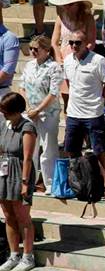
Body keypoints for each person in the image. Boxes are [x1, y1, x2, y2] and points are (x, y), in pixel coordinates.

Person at [62, 29, 105, 196]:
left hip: (93, 113)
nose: (74, 46)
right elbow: (70, 84)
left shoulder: (98, 61)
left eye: (78, 43)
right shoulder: (68, 60)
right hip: (74, 113)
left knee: (99, 150)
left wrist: (101, 102)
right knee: (71, 149)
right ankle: (79, 182)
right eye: (71, 43)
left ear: (87, 44)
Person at [18, 36, 60, 194]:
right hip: (30, 112)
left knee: (48, 148)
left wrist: (38, 109)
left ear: (46, 50)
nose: (33, 51)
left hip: (48, 113)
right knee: (31, 149)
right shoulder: (29, 65)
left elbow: (53, 93)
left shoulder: (54, 67)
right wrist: (29, 107)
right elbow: (22, 87)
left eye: (36, 49)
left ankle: (50, 182)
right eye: (31, 48)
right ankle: (30, 180)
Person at [0, 93, 37, 271]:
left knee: (23, 217)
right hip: (4, 173)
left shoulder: (27, 127)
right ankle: (14, 254)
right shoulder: (5, 125)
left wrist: (24, 182)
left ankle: (28, 256)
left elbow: (28, 157)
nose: (3, 114)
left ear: (16, 111)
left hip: (20, 172)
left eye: (6, 111)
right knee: (8, 216)